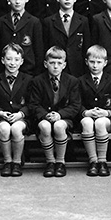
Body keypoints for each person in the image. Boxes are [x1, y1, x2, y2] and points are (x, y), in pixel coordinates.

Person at [30, 46, 81, 178]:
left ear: (64, 65)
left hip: (64, 118)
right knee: (45, 126)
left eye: (59, 63)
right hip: (44, 117)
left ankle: (60, 162)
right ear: (45, 64)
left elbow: (75, 105)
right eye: (52, 63)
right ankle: (50, 162)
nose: (55, 67)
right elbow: (34, 104)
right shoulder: (38, 81)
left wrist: (60, 115)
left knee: (59, 126)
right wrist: (45, 115)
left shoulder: (72, 81)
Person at [0, 43, 33, 177]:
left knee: (16, 129)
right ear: (2, 60)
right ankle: (7, 161)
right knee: (4, 129)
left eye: (16, 59)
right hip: (2, 117)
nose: (12, 63)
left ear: (22, 62)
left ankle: (17, 162)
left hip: (22, 118)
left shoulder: (28, 80)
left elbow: (33, 103)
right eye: (8, 59)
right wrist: (0, 112)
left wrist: (21, 113)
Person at [78, 45, 111, 177]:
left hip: (105, 117)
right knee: (87, 122)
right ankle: (93, 161)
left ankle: (102, 161)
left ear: (105, 63)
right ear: (86, 62)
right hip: (87, 115)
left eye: (99, 62)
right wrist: (85, 112)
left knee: (100, 122)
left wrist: (107, 112)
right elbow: (76, 103)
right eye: (92, 62)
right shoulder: (80, 81)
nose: (95, 65)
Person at [42, 0, 91, 77]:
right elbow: (45, 46)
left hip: (77, 68)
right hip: (56, 67)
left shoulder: (83, 21)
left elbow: (86, 46)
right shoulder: (48, 21)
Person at [0, 0, 43, 75]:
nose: (17, 2)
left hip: (28, 71)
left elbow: (39, 52)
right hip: (6, 71)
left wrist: (36, 73)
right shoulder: (1, 22)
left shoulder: (34, 22)